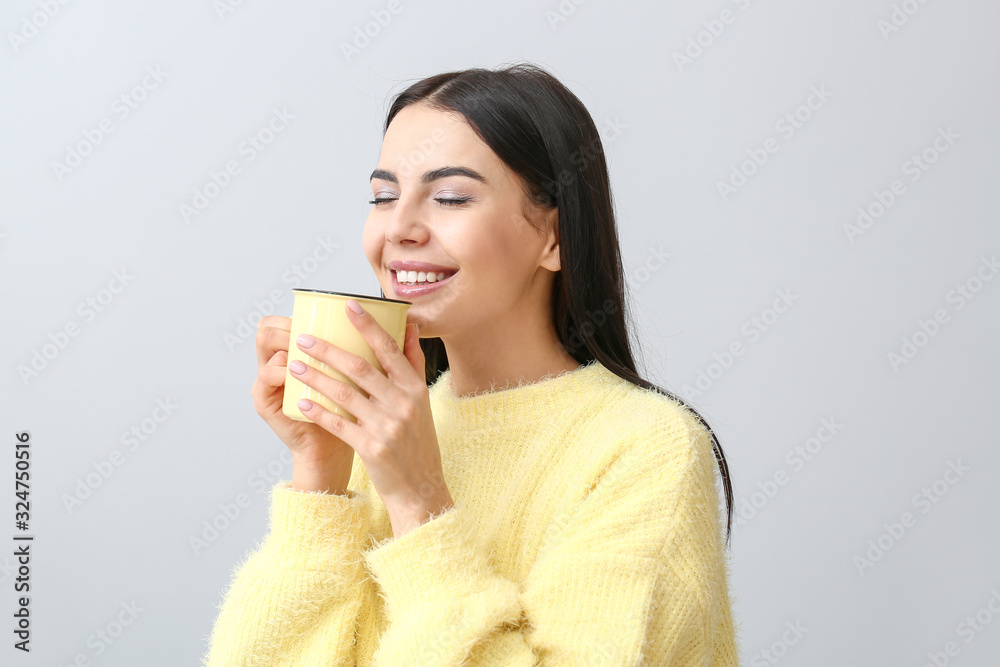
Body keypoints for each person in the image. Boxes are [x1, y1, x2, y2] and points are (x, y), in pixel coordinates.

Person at [203, 61, 741, 665]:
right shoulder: (386, 435)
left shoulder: (645, 450)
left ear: (555, 239)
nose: (398, 228)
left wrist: (419, 503)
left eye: (450, 197)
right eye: (383, 196)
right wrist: (320, 480)